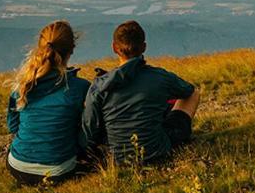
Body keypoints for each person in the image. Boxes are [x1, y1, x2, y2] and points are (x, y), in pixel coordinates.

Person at [81, 20, 200, 164]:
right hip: (158, 152)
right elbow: (189, 91)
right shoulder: (160, 77)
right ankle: (179, 137)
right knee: (193, 94)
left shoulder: (100, 85)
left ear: (114, 48)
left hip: (117, 158)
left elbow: (89, 129)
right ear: (144, 47)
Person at [7, 20, 90, 185]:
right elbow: (87, 130)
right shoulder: (80, 88)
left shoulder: (22, 85)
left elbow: (13, 127)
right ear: (72, 49)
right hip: (59, 170)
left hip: (18, 167)